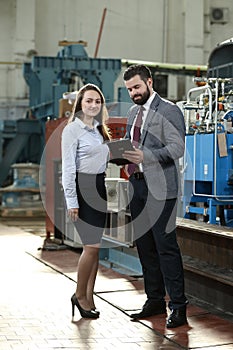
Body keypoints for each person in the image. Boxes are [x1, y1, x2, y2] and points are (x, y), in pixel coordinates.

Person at [122, 65, 188, 328]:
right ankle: (154, 300)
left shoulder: (169, 110)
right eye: (129, 90)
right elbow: (130, 141)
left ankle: (179, 306)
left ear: (149, 82)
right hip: (137, 187)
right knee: (145, 246)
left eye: (137, 87)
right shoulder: (131, 112)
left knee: (166, 247)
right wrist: (122, 154)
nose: (133, 93)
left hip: (161, 189)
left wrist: (146, 156)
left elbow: (177, 147)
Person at [61, 83, 110, 319]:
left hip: (99, 187)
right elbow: (68, 168)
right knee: (90, 247)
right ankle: (79, 295)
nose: (93, 105)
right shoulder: (73, 130)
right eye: (89, 101)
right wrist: (72, 201)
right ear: (80, 103)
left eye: (97, 101)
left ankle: (90, 296)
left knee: (95, 248)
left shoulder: (99, 129)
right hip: (83, 188)